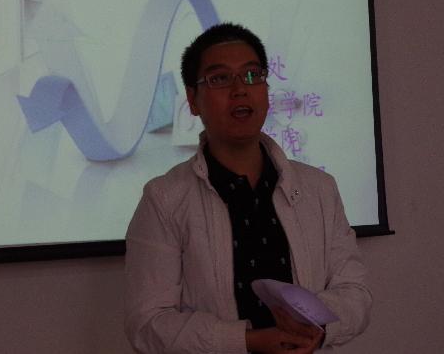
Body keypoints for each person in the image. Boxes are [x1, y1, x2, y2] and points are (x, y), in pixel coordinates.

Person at [124, 23, 371, 353]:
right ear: (193, 100)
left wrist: (319, 327)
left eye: (253, 75)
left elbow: (354, 292)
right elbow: (148, 324)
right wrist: (247, 340)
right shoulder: (165, 199)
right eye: (220, 78)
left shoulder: (319, 189)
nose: (240, 89)